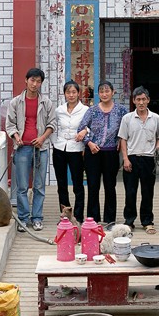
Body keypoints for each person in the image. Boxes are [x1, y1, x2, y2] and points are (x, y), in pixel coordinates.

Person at [5, 67, 57, 231]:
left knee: (39, 186)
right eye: (32, 80)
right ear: (26, 80)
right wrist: (16, 136)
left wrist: (42, 138)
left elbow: (52, 123)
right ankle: (23, 218)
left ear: (41, 83)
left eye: (38, 81)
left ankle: (37, 218)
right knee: (21, 186)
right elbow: (10, 124)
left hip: (40, 149)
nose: (35, 84)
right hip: (22, 149)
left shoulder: (46, 103)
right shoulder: (15, 102)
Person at [76, 81, 129, 230]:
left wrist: (119, 139)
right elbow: (81, 128)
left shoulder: (121, 110)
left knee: (110, 186)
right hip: (93, 152)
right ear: (98, 94)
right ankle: (93, 218)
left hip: (111, 152)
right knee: (93, 185)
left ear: (113, 92)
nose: (104, 94)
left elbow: (126, 128)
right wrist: (89, 143)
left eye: (107, 91)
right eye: (101, 92)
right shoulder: (92, 110)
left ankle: (110, 219)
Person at [118, 86, 159, 234]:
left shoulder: (155, 118)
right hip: (131, 158)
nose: (141, 102)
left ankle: (147, 221)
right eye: (138, 99)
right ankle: (129, 221)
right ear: (133, 101)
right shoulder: (127, 118)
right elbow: (123, 139)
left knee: (147, 192)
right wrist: (125, 159)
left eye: (144, 99)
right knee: (130, 192)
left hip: (148, 159)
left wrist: (158, 146)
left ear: (148, 100)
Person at [51, 80, 89, 223]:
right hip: (60, 148)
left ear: (78, 93)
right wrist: (55, 142)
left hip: (76, 148)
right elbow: (53, 127)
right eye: (68, 92)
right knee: (61, 183)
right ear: (64, 94)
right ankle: (65, 214)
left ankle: (78, 215)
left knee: (78, 183)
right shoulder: (59, 110)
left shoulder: (85, 110)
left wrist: (84, 131)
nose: (71, 95)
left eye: (74, 92)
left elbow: (90, 126)